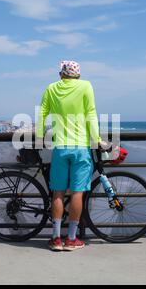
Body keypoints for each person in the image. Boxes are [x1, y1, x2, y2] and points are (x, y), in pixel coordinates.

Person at [36, 60, 105, 251]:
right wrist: (97, 139)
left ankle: (56, 238)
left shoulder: (51, 88)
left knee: (57, 192)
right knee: (77, 192)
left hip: (60, 148)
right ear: (78, 75)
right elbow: (91, 113)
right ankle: (72, 239)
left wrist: (41, 136)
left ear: (61, 75)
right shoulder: (86, 86)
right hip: (81, 147)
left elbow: (42, 112)